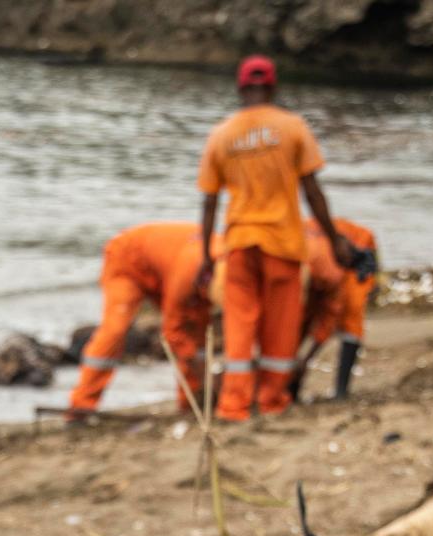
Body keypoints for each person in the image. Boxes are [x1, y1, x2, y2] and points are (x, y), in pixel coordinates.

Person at [197, 54, 354, 423]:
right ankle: (270, 400)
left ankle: (234, 405)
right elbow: (312, 191)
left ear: (240, 88)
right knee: (280, 328)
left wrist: (206, 256)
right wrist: (334, 238)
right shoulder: (293, 127)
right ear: (272, 86)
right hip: (283, 243)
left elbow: (209, 201)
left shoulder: (221, 134)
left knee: (239, 325)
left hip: (239, 243)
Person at [66, 222, 217, 419]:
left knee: (196, 335)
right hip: (126, 259)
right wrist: (200, 370)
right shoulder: (188, 275)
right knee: (115, 330)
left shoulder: (230, 265)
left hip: (166, 269)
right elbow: (173, 331)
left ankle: (191, 403)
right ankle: (81, 406)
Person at [293, 217, 378, 401]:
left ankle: (341, 391)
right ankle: (293, 375)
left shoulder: (331, 272)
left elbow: (329, 317)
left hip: (353, 252)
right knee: (301, 320)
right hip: (323, 254)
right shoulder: (302, 256)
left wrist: (306, 358)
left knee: (351, 318)